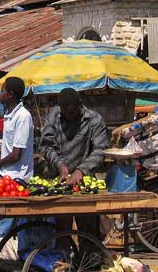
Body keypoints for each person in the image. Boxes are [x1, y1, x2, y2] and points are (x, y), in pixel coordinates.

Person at [39, 88, 109, 239]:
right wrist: (60, 165)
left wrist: (80, 170)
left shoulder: (94, 120)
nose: (69, 116)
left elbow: (100, 150)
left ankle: (89, 259)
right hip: (58, 182)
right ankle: (63, 259)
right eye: (66, 112)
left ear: (80, 105)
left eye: (73, 112)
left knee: (87, 231)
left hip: (83, 183)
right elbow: (46, 145)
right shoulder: (54, 116)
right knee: (61, 231)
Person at [0, 77, 34, 180]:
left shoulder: (23, 116)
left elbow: (16, 155)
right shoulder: (8, 114)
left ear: (10, 94)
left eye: (2, 91)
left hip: (18, 177)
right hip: (6, 173)